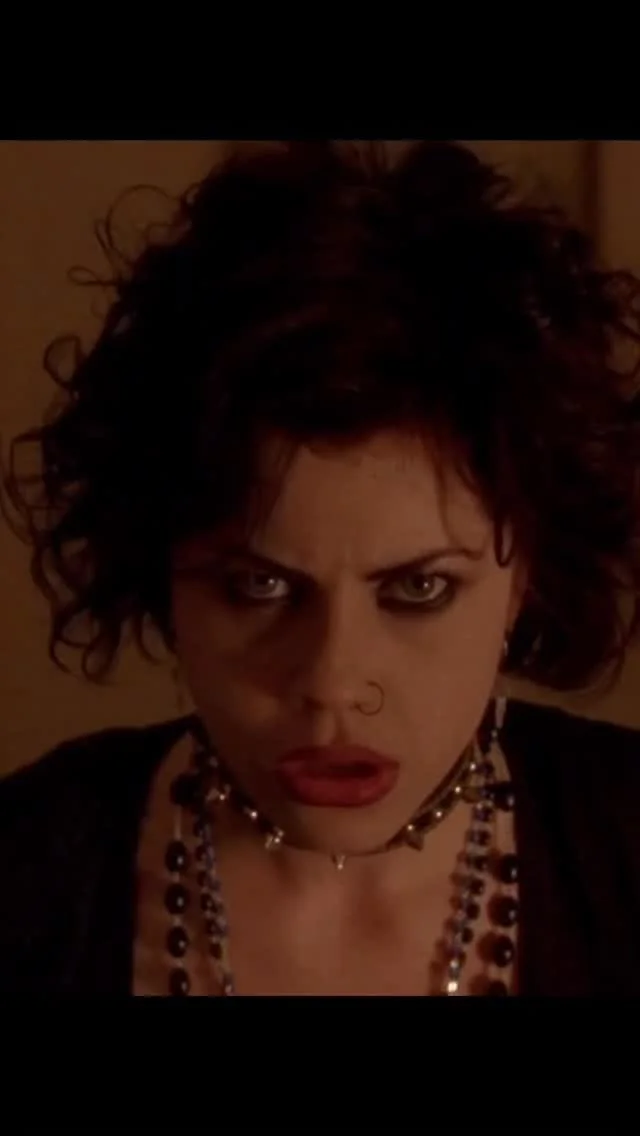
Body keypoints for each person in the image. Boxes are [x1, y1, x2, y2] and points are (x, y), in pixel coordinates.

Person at [2, 139, 640, 997]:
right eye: (260, 586)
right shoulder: (29, 878)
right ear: (165, 580)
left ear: (522, 578)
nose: (333, 683)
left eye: (418, 589)